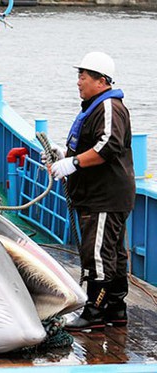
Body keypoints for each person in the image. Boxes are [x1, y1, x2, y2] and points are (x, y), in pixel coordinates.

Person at [50, 51, 135, 331]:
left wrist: (72, 163)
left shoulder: (109, 106)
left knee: (97, 254)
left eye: (83, 77)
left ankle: (95, 311)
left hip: (104, 196)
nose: (78, 82)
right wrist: (65, 154)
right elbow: (92, 143)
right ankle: (116, 308)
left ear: (101, 81)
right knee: (113, 253)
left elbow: (108, 146)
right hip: (100, 195)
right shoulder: (94, 107)